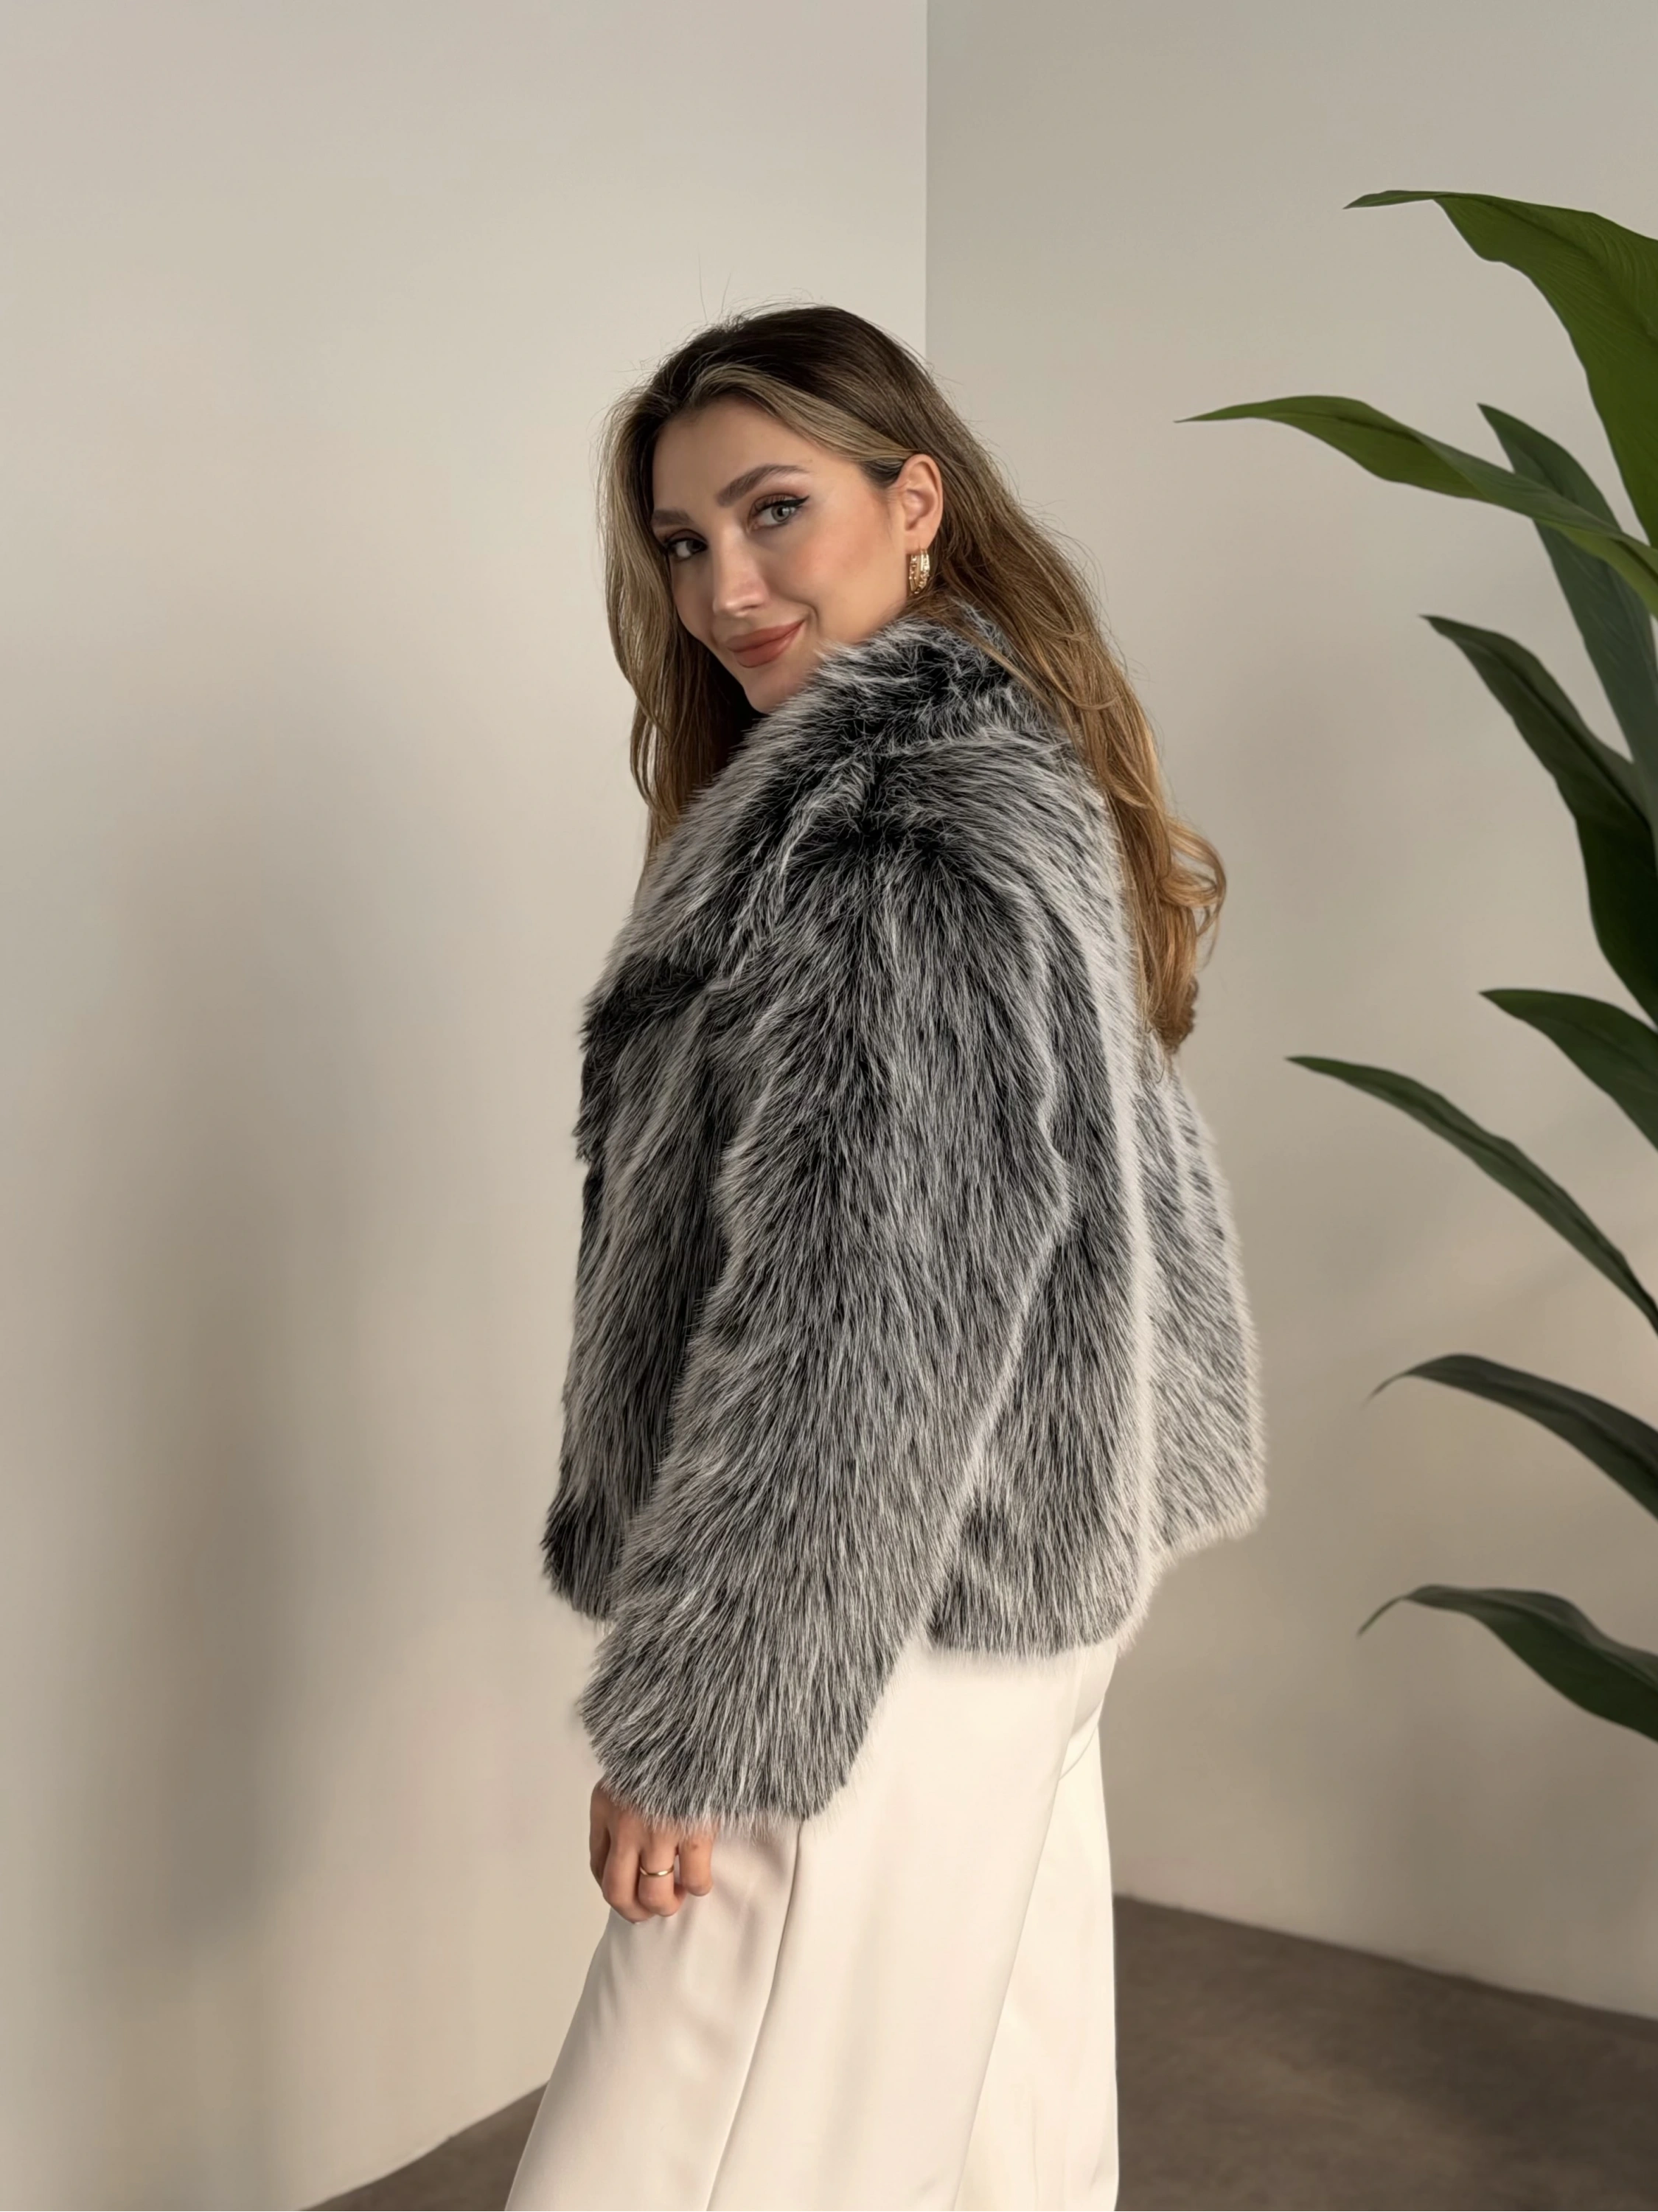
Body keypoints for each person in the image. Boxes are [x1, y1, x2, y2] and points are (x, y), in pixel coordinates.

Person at [504, 303, 1267, 2212]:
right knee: (1002, 2146)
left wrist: (706, 1720)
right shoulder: (1008, 764)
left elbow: (865, 1329)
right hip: (1020, 1579)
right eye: (684, 541)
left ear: (913, 502)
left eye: (777, 511)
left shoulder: (883, 841)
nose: (726, 589)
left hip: (870, 1630)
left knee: (669, 2170)